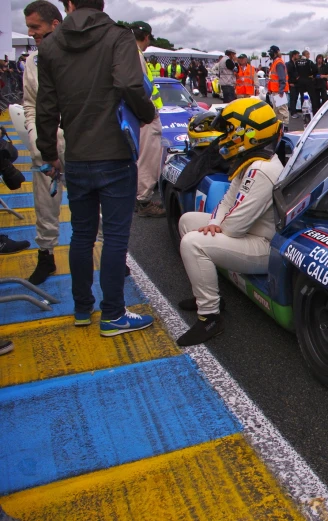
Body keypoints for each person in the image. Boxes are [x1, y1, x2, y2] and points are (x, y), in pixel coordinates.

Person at [37, 0, 156, 334]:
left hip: (76, 152)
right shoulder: (117, 36)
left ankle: (81, 308)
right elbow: (131, 85)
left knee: (81, 234)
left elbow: (46, 106)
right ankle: (113, 313)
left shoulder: (49, 46)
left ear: (69, 4)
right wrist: (146, 115)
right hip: (114, 151)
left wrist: (49, 152)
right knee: (116, 237)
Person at [176, 99, 283, 346]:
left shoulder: (263, 169)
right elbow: (227, 202)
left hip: (265, 247)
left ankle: (210, 318)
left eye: (230, 130)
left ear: (249, 132)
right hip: (249, 234)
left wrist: (217, 226)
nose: (226, 136)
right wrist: (214, 223)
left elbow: (235, 226)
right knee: (187, 222)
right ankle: (205, 295)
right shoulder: (251, 160)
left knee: (193, 243)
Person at [22, 0, 67, 284]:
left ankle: (109, 255)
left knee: (92, 205)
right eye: (28, 28)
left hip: (81, 146)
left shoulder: (80, 56)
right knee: (45, 205)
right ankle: (45, 256)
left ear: (55, 24)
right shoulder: (32, 61)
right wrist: (34, 135)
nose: (31, 33)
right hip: (45, 146)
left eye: (34, 27)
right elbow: (29, 104)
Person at [130, 21, 166, 218]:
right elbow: (139, 88)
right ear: (146, 37)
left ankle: (138, 197)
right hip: (145, 116)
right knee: (148, 159)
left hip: (136, 115)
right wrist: (149, 113)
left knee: (140, 158)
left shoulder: (127, 53)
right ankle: (143, 200)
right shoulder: (135, 55)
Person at [267, 45, 289, 130]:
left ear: (275, 53)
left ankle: (285, 126)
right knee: (277, 110)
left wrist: (281, 90)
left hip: (279, 91)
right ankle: (280, 126)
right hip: (276, 90)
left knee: (282, 109)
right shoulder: (276, 62)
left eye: (271, 52)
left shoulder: (278, 63)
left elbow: (282, 78)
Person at [286, 50, 300, 116]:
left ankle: (295, 111)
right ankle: (293, 112)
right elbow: (288, 74)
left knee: (296, 98)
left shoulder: (297, 64)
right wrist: (289, 82)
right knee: (292, 98)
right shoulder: (289, 64)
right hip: (292, 83)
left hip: (297, 83)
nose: (298, 56)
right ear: (293, 55)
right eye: (297, 55)